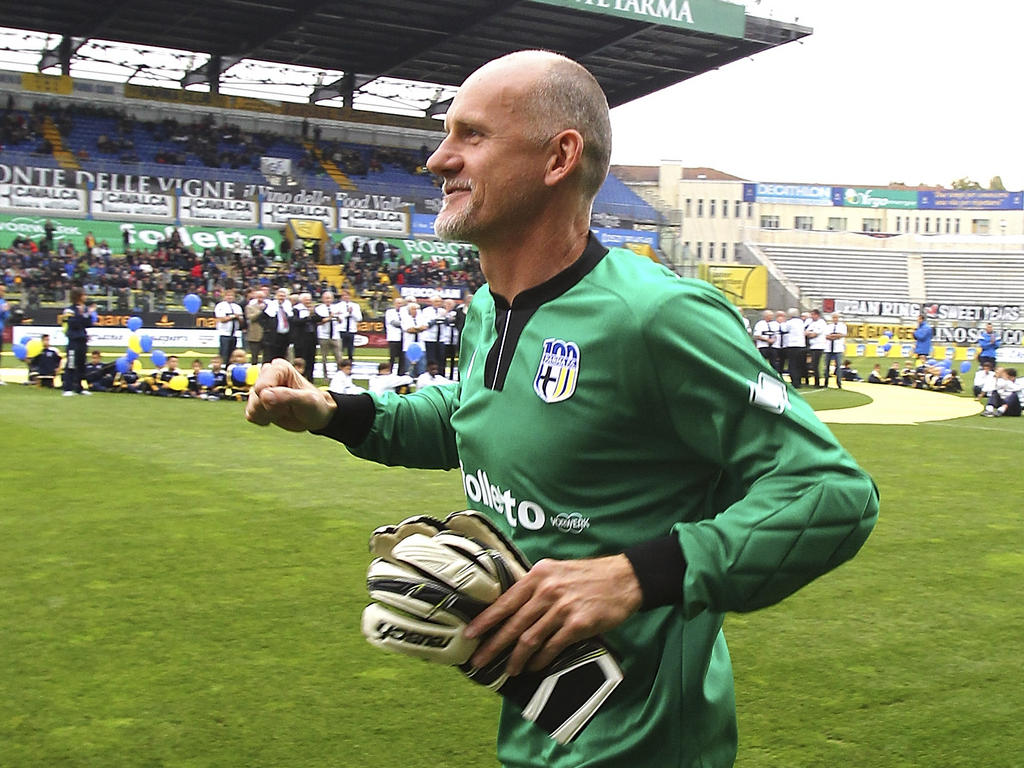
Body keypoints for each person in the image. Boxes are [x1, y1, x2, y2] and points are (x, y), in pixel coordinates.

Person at [245, 50, 878, 768]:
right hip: (540, 728)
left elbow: (834, 494)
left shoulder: (657, 317)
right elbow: (480, 414)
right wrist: (334, 411)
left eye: (471, 135)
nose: (436, 159)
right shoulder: (489, 306)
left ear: (558, 159)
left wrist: (638, 575)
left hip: (646, 750)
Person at [61, 287, 93, 397]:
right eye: (83, 295)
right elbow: (73, 323)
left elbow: (88, 323)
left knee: (81, 364)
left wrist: (85, 315)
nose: (85, 297)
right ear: (78, 296)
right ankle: (67, 388)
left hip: (82, 340)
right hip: (73, 341)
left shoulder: (84, 309)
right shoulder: (69, 310)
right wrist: (81, 316)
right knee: (71, 364)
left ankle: (79, 388)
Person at [214, 288, 244, 363]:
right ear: (224, 296)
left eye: (231, 295)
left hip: (234, 334)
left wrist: (239, 318)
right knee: (224, 354)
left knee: (233, 355)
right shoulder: (220, 306)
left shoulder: (237, 307)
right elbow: (222, 319)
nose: (230, 297)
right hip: (224, 334)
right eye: (228, 295)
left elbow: (242, 321)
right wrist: (233, 316)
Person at [783, 306, 806, 388]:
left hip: (792, 345)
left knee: (792, 364)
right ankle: (799, 381)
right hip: (801, 345)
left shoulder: (789, 322)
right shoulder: (801, 322)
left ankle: (794, 382)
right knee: (799, 365)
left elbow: (784, 329)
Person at [823, 312, 847, 389]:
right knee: (826, 366)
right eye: (833, 317)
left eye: (836, 317)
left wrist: (833, 335)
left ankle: (839, 383)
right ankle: (825, 382)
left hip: (838, 349)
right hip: (829, 348)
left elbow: (842, 335)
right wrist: (835, 336)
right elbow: (826, 336)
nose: (835, 319)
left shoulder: (842, 326)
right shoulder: (828, 326)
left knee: (838, 367)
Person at [804, 308, 827, 388]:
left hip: (818, 346)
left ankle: (817, 382)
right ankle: (809, 381)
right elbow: (806, 332)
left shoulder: (821, 323)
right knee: (810, 364)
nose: (812, 316)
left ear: (817, 315)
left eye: (813, 315)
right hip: (812, 346)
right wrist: (809, 333)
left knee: (815, 364)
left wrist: (809, 334)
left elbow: (814, 334)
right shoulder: (811, 323)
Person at [337, 290, 362, 361]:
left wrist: (352, 313)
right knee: (340, 349)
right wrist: (347, 313)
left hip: (351, 330)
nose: (346, 297)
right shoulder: (337, 306)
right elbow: (338, 318)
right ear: (342, 297)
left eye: (347, 295)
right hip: (341, 330)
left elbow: (359, 318)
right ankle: (340, 363)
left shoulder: (355, 306)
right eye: (344, 295)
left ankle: (350, 362)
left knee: (350, 349)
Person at [384, 296, 406, 373]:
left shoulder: (405, 312)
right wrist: (405, 324)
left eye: (401, 303)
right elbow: (394, 323)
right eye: (398, 303)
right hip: (394, 337)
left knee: (402, 357)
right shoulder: (389, 312)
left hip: (404, 338)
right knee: (392, 356)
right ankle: (389, 371)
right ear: (394, 304)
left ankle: (401, 372)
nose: (399, 305)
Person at [0, 283, 9, 384]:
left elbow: (6, 316)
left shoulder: (3, 302)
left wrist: (5, 311)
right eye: (1, 290)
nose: (3, 293)